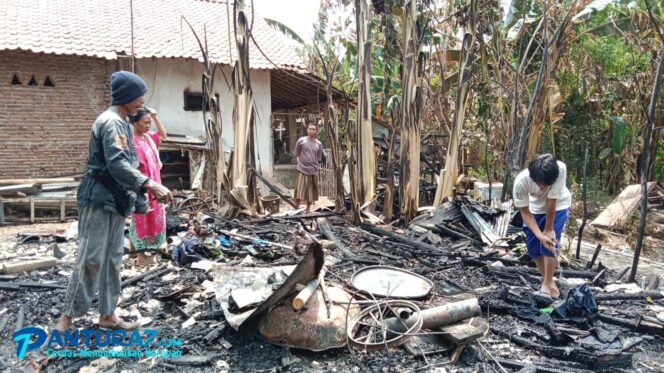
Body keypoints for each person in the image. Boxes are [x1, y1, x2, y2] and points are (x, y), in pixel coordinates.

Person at [55, 71, 172, 332]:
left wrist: (139, 197)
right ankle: (66, 319)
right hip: (98, 198)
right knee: (91, 257)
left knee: (112, 259)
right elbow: (117, 164)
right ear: (125, 97)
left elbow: (130, 164)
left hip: (116, 200)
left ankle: (108, 314)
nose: (141, 104)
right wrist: (149, 183)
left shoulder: (122, 123)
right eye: (138, 100)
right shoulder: (110, 123)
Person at [513, 154, 572, 300]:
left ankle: (545, 284)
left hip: (558, 207)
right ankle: (550, 283)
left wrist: (549, 229)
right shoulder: (521, 182)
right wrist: (540, 235)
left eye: (545, 184)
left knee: (548, 244)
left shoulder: (560, 169)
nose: (542, 187)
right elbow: (525, 212)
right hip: (534, 209)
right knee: (533, 246)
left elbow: (552, 200)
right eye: (539, 183)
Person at [128, 107, 167, 267]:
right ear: (135, 123)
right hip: (141, 186)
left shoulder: (148, 138)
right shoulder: (131, 141)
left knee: (156, 219)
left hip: (155, 184)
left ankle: (152, 252)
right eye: (145, 122)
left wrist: (155, 117)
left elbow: (163, 135)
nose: (148, 126)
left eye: (149, 122)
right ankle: (141, 255)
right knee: (141, 218)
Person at [294, 123, 323, 213]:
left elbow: (318, 158)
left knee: (310, 192)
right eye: (310, 129)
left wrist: (316, 167)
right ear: (307, 130)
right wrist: (299, 162)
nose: (311, 130)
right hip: (302, 169)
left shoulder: (319, 144)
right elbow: (296, 153)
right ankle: (296, 208)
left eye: (313, 129)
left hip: (312, 170)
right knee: (299, 190)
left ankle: (308, 209)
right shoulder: (301, 141)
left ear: (316, 131)